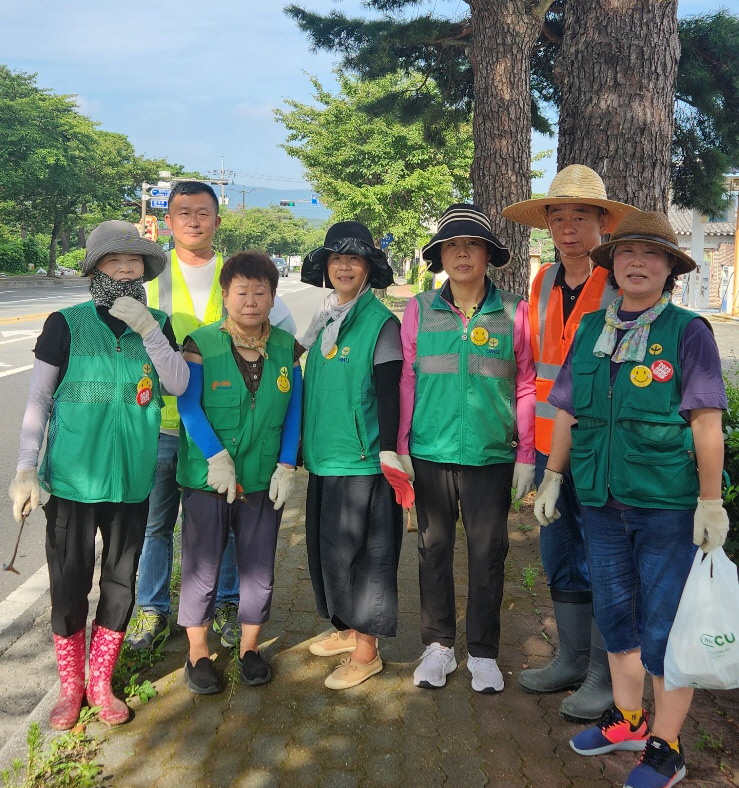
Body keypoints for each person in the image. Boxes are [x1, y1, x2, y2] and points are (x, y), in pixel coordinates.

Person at [534, 211, 729, 788]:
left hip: (666, 505)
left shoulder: (688, 332)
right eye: (626, 255)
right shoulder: (594, 327)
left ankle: (668, 748)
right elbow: (567, 408)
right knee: (616, 615)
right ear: (612, 267)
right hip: (598, 498)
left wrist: (710, 501)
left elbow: (706, 421)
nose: (636, 263)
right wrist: (552, 476)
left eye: (650, 255)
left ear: (669, 268)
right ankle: (628, 718)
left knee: (663, 625)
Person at [8, 221, 189, 729]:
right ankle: (71, 688)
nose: (126, 268)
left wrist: (150, 332)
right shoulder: (65, 324)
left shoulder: (157, 323)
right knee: (68, 586)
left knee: (119, 583)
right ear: (96, 268)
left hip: (133, 482)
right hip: (70, 483)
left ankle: (101, 682)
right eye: (115, 260)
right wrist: (26, 469)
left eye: (134, 261)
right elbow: (39, 400)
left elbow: (176, 383)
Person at [127, 181, 296, 652]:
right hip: (161, 425)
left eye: (204, 212)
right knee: (156, 524)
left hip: (228, 433)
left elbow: (282, 334)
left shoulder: (239, 274)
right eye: (184, 212)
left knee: (224, 522)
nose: (194, 220)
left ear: (218, 221)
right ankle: (152, 608)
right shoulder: (150, 280)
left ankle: (225, 604)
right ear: (168, 222)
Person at [503, 165, 638, 720]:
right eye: (557, 217)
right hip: (548, 448)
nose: (567, 227)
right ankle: (571, 660)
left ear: (603, 223)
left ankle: (606, 679)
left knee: (607, 560)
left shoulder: (621, 281)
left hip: (601, 449)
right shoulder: (541, 283)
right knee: (561, 555)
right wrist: (528, 453)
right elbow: (537, 369)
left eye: (579, 217)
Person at [398, 204, 536, 693]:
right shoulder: (418, 309)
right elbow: (407, 381)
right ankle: (437, 647)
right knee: (432, 549)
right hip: (430, 453)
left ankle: (482, 652)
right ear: (440, 256)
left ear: (487, 255)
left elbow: (525, 384)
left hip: (490, 455)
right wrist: (402, 447)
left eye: (472, 244)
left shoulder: (515, 311)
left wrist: (526, 455)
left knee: (488, 553)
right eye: (452, 245)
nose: (462, 253)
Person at [175, 251, 302, 692]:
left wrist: (287, 464)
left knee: (258, 566)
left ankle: (250, 648)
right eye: (241, 291)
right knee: (201, 567)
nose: (251, 300)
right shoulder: (200, 343)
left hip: (264, 477)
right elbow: (188, 405)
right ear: (226, 295)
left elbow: (294, 411)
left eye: (260, 291)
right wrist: (214, 456)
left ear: (272, 296)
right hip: (206, 479)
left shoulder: (287, 348)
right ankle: (197, 654)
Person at [301, 221, 413, 690]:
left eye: (354, 259)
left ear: (368, 269)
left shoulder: (380, 322)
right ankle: (348, 631)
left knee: (368, 560)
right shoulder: (326, 318)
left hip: (365, 462)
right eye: (336, 259)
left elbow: (390, 393)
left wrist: (389, 451)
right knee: (329, 554)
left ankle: (367, 653)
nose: (344, 266)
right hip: (325, 458)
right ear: (326, 269)